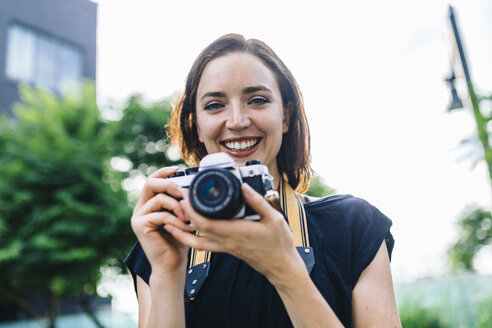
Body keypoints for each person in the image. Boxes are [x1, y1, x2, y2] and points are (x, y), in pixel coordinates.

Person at [125, 33, 401, 327]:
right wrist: (168, 273)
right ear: (197, 127)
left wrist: (285, 271)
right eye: (215, 105)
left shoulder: (352, 227)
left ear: (286, 115)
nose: (237, 121)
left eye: (257, 100)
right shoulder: (168, 237)